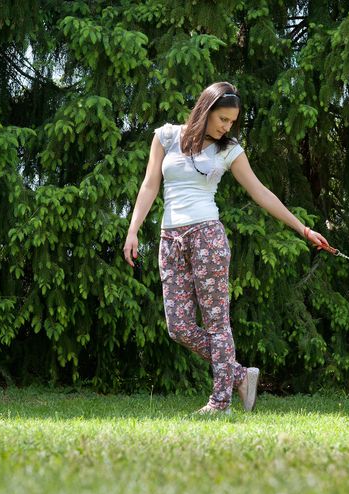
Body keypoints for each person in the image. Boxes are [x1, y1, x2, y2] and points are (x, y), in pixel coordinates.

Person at [123, 82, 330, 415]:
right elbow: (150, 185)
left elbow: (260, 193)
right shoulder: (165, 137)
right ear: (204, 111)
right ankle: (238, 374)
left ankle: (220, 403)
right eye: (222, 119)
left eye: (232, 122)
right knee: (178, 327)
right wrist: (133, 230)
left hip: (207, 236)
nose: (226, 127)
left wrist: (302, 228)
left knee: (217, 323)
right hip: (169, 239)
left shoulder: (228, 150)